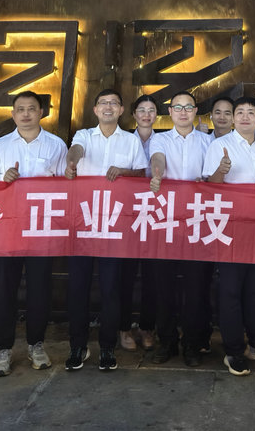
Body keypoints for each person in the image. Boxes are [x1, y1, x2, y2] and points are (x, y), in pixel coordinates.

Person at [0, 91, 68, 377]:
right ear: (13, 114)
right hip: (9, 228)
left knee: (40, 288)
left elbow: (67, 183)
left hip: (42, 228)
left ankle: (36, 344)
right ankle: (3, 349)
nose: (26, 114)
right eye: (20, 109)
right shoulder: (0, 146)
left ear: (41, 112)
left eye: (31, 108)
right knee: (5, 289)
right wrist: (2, 177)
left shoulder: (56, 145)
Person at [64, 89, 148, 371]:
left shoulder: (131, 140)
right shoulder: (84, 135)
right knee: (78, 287)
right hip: (83, 223)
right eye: (103, 103)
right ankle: (78, 346)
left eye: (114, 103)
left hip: (115, 225)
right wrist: (72, 162)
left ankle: (108, 347)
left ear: (122, 110)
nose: (108, 107)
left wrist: (124, 172)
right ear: (95, 109)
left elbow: (141, 173)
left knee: (111, 288)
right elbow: (76, 150)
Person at [203, 96, 255, 376]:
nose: (245, 117)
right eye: (240, 112)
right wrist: (220, 172)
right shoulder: (219, 146)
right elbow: (210, 185)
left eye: (251, 113)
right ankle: (234, 351)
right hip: (231, 229)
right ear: (234, 118)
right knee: (231, 291)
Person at [148, 90, 213, 366]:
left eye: (188, 107)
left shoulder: (208, 141)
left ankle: (192, 344)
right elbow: (158, 158)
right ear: (170, 112)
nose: (183, 112)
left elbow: (212, 177)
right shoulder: (159, 139)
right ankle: (166, 342)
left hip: (198, 222)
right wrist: (158, 173)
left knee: (196, 287)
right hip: (166, 221)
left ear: (196, 111)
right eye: (178, 107)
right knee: (164, 286)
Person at [119, 94, 159, 352]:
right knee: (125, 275)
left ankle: (147, 327)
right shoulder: (123, 140)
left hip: (156, 216)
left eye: (151, 110)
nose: (146, 114)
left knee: (152, 276)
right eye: (141, 110)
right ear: (133, 114)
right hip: (126, 215)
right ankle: (123, 327)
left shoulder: (164, 140)